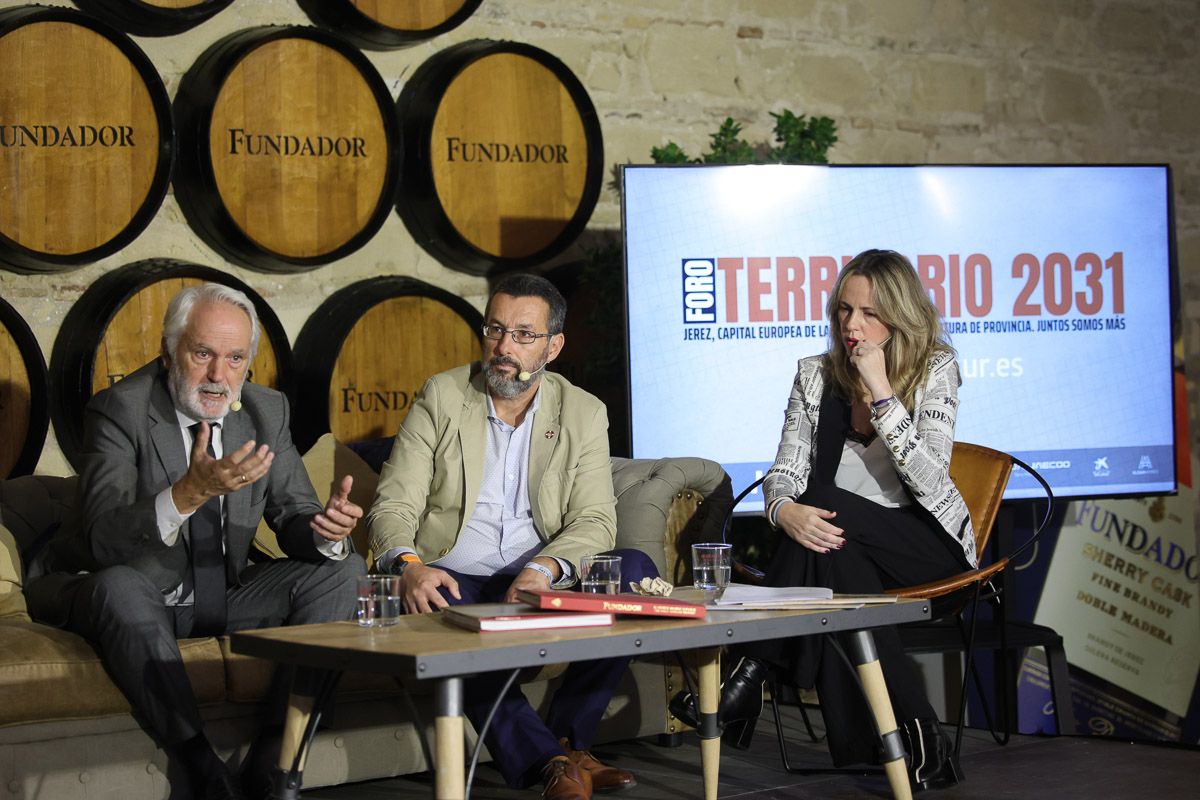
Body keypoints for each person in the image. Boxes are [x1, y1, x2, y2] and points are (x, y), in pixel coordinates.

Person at [24, 283, 367, 800]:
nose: (218, 376)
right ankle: (201, 768)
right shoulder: (120, 410)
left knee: (344, 570)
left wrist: (327, 532)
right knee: (121, 586)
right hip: (129, 592)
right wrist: (187, 494)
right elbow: (100, 536)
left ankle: (277, 761)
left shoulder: (264, 410)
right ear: (169, 351)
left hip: (221, 594)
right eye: (203, 353)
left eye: (234, 359)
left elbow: (293, 514)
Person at [673, 249, 974, 791]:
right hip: (845, 550)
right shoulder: (815, 375)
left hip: (923, 544)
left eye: (869, 314)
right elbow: (781, 472)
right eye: (844, 311)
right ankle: (922, 741)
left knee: (823, 494)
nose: (852, 325)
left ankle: (751, 672)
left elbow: (932, 480)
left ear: (901, 317)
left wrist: (882, 393)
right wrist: (783, 510)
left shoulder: (937, 368)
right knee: (836, 551)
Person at [367, 273, 655, 800]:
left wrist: (544, 568)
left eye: (524, 334)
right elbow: (394, 503)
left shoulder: (583, 410)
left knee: (633, 571)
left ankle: (571, 742)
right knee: (445, 616)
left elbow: (595, 519)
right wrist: (408, 564)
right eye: (495, 330)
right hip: (456, 575)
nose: (504, 348)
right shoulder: (444, 394)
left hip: (537, 577)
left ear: (554, 345)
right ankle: (547, 764)